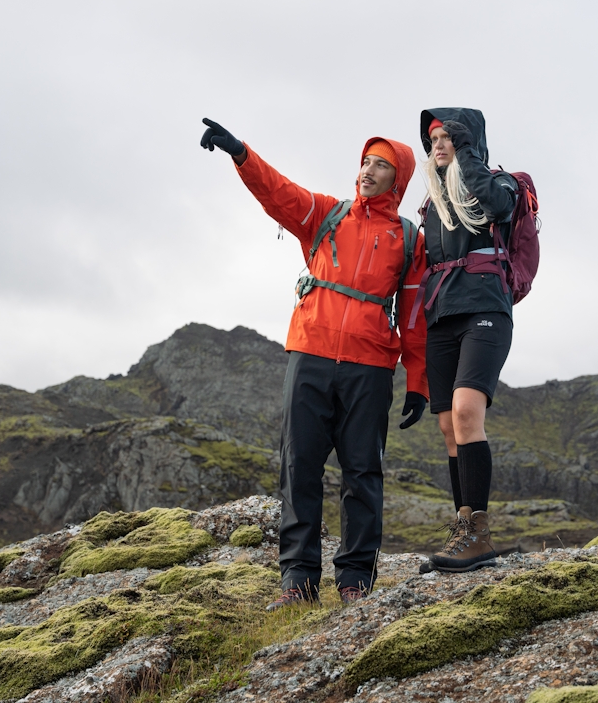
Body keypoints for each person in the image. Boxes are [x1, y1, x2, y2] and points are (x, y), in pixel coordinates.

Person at [199, 117, 429, 608]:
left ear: (399, 179)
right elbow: (278, 192)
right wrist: (241, 153)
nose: (367, 171)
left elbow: (413, 315)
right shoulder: (327, 214)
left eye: (381, 165)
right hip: (310, 353)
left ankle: (355, 583)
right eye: (365, 162)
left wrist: (418, 382)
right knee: (299, 466)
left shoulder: (409, 239)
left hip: (370, 366)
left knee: (362, 473)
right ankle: (298, 584)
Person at [413, 107, 517, 573]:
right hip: (442, 317)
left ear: (468, 140)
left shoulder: (501, 182)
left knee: (466, 412)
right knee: (447, 426)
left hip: (485, 309)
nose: (439, 145)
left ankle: (479, 533)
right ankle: (463, 528)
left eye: (448, 137)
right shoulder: (431, 204)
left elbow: (498, 207)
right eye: (434, 139)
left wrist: (468, 153)